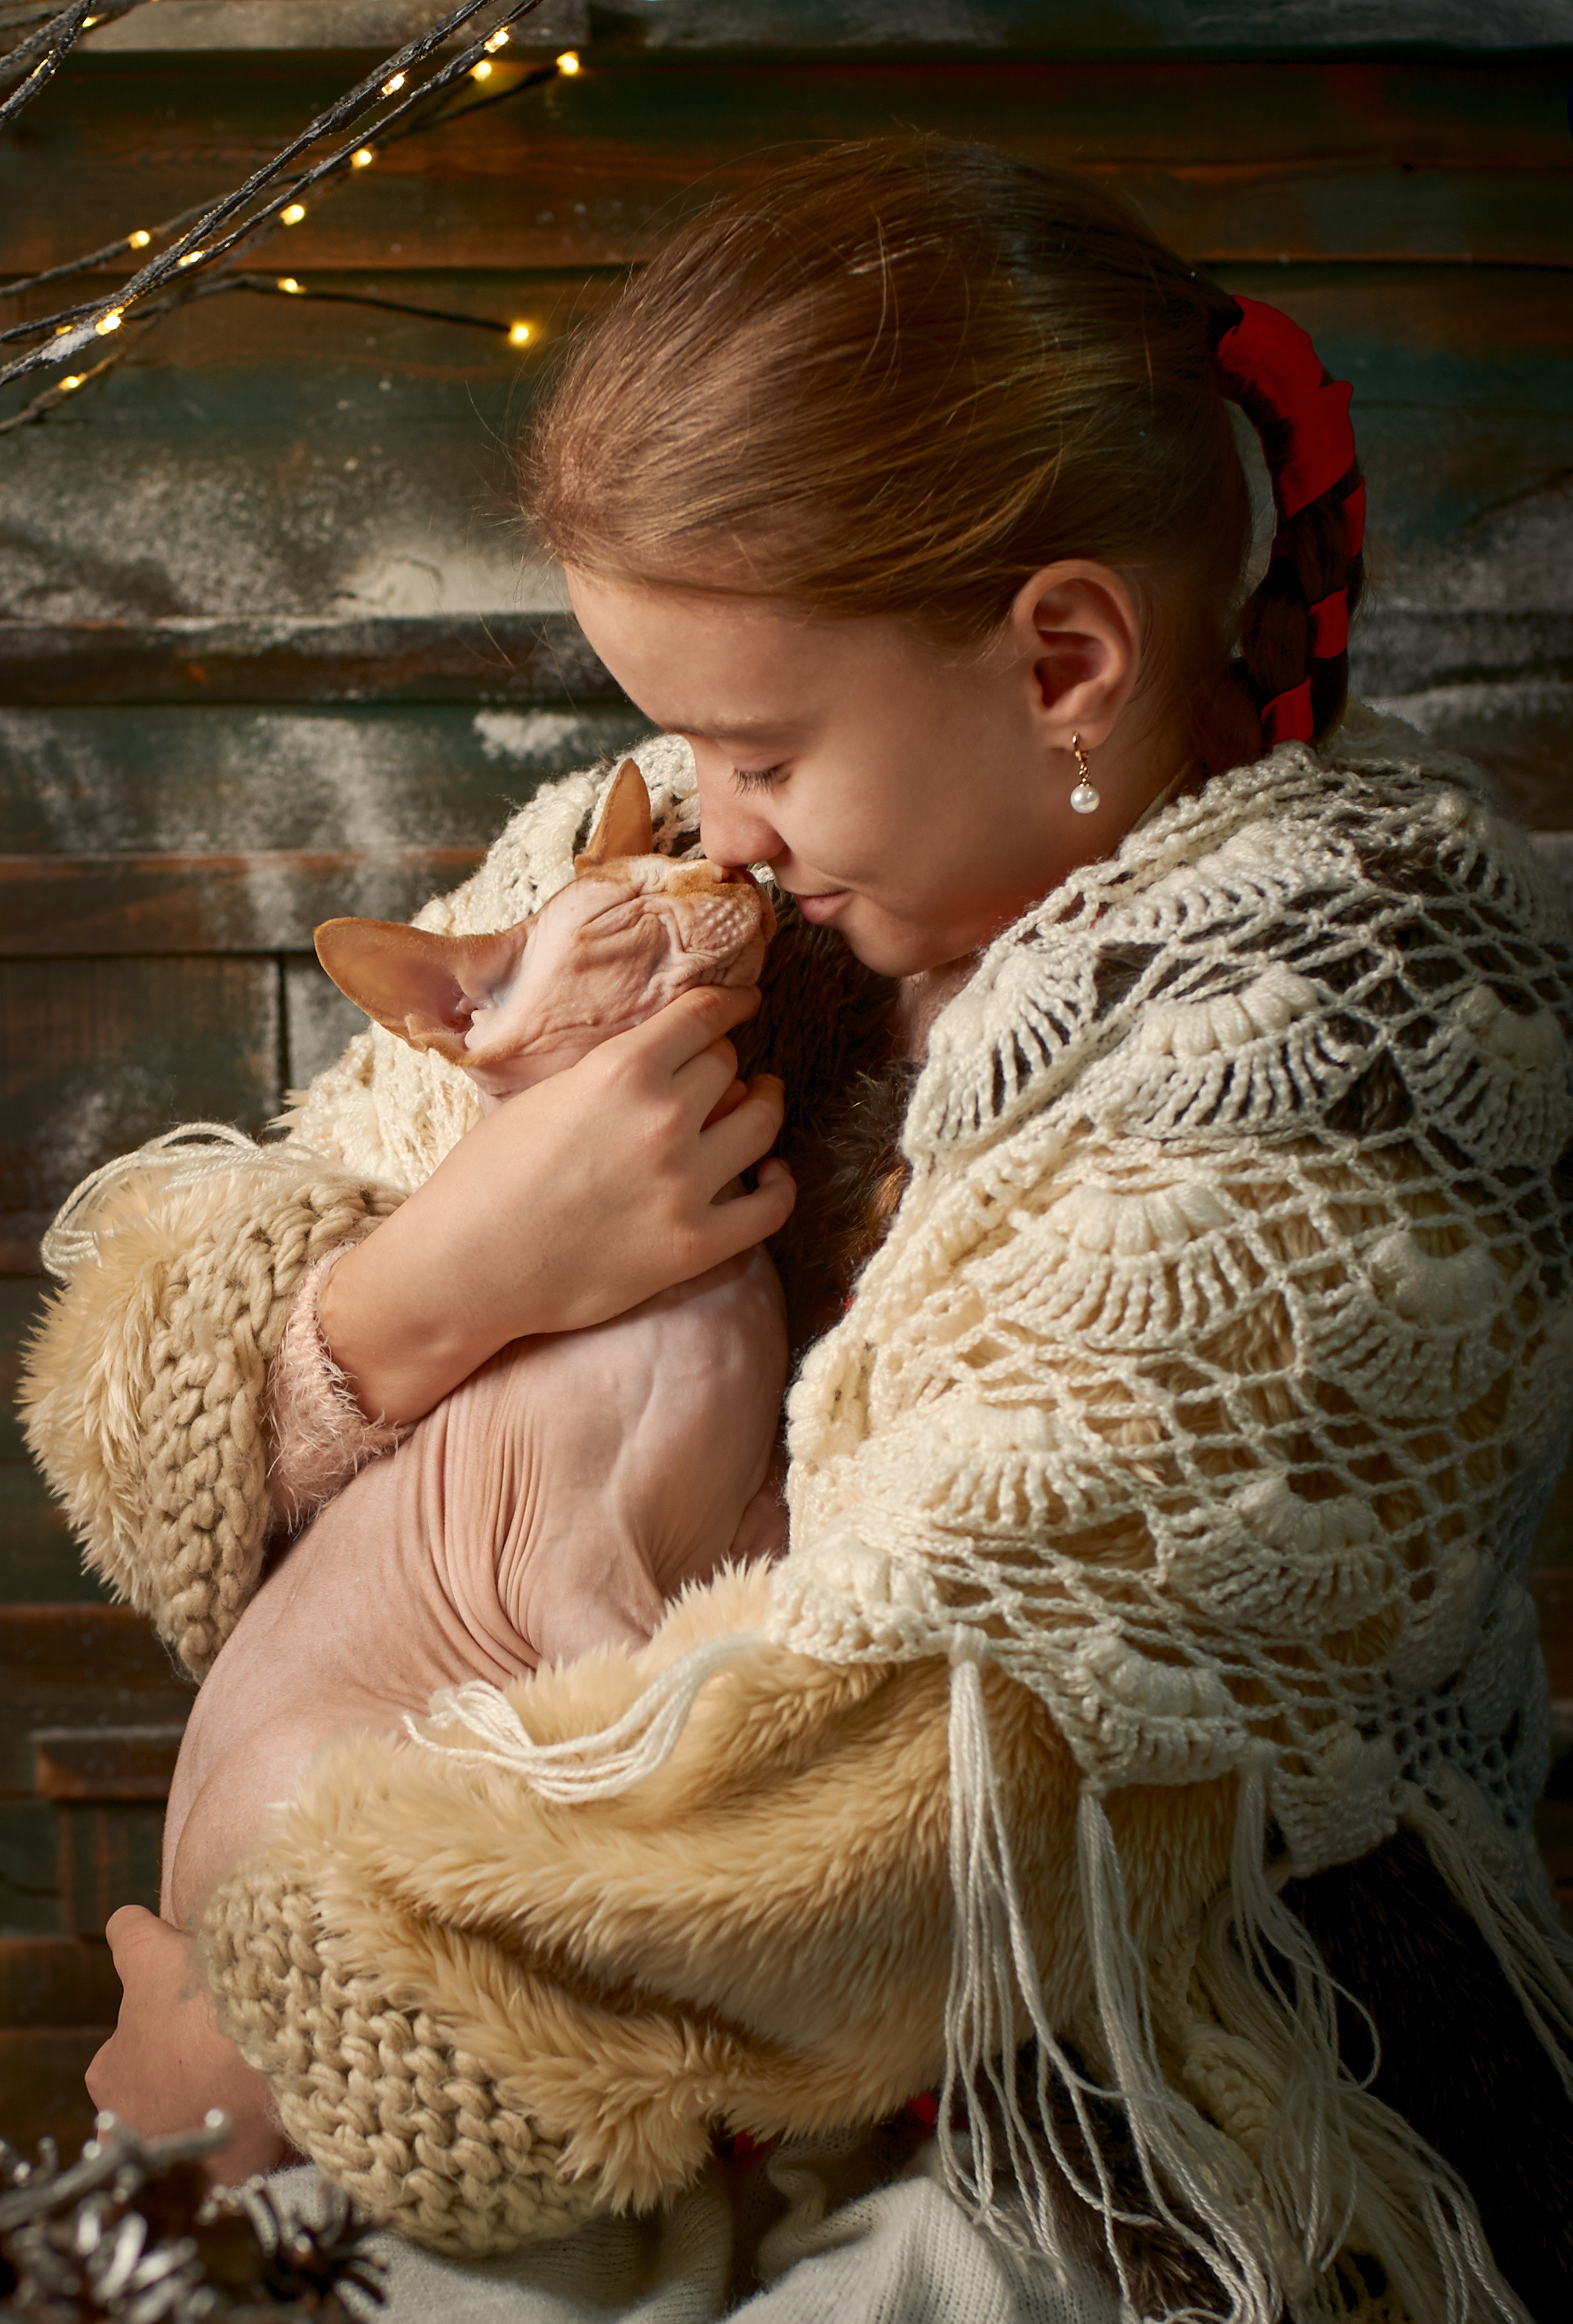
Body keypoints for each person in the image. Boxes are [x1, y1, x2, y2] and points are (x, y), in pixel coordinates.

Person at [22, 139, 1573, 2324]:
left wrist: (279, 2020)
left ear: (1063, 660)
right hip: (591, 1990)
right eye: (675, 735)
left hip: (1132, 2083)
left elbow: (926, 1799)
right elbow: (183, 1404)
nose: (709, 819)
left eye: (757, 746)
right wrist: (432, 1286)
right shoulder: (688, 848)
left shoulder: (1348, 1016)